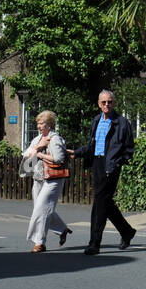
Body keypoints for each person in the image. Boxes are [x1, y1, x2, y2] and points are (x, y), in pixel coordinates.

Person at [69, 90, 136, 255]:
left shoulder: (122, 123)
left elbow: (129, 148)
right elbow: (91, 146)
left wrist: (119, 162)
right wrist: (77, 152)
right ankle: (126, 231)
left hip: (111, 166)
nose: (107, 105)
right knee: (105, 202)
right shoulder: (96, 120)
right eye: (104, 102)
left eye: (110, 102)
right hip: (97, 163)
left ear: (114, 103)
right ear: (99, 104)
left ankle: (94, 244)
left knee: (99, 204)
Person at [23, 111, 72, 252]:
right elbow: (26, 156)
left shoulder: (54, 139)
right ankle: (62, 229)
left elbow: (59, 159)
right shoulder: (37, 139)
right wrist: (38, 147)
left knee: (41, 209)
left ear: (50, 124)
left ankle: (40, 243)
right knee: (40, 208)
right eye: (38, 123)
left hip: (53, 179)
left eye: (41, 123)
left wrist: (39, 154)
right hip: (38, 178)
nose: (39, 126)